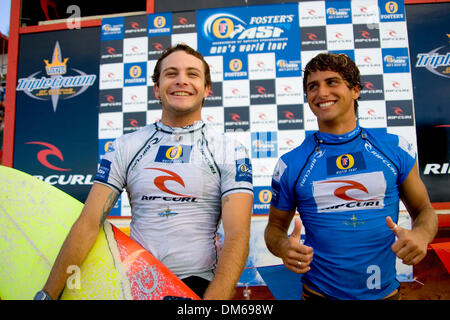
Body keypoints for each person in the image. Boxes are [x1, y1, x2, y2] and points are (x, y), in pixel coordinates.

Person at [34, 44, 253, 300]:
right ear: (157, 89)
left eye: (192, 74)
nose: (182, 80)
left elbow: (237, 235)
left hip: (197, 287)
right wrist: (47, 294)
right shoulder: (126, 146)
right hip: (134, 284)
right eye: (171, 73)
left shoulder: (229, 150)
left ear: (207, 89)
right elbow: (88, 223)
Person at [264, 53, 437, 300]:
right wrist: (282, 247)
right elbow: (275, 228)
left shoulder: (393, 148)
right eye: (313, 87)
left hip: (385, 294)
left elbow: (424, 211)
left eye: (331, 82)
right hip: (318, 294)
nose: (321, 93)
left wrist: (421, 235)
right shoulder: (291, 163)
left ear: (355, 90)